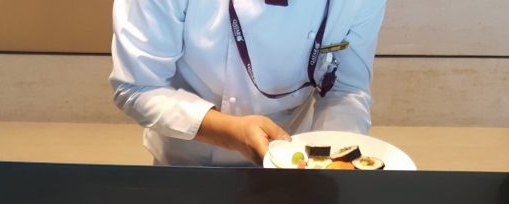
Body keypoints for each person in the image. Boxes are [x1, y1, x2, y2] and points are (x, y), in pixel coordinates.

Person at [110, 0, 387, 167]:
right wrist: (229, 130)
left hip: (292, 161)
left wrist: (328, 160)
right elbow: (138, 87)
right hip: (186, 160)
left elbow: (346, 90)